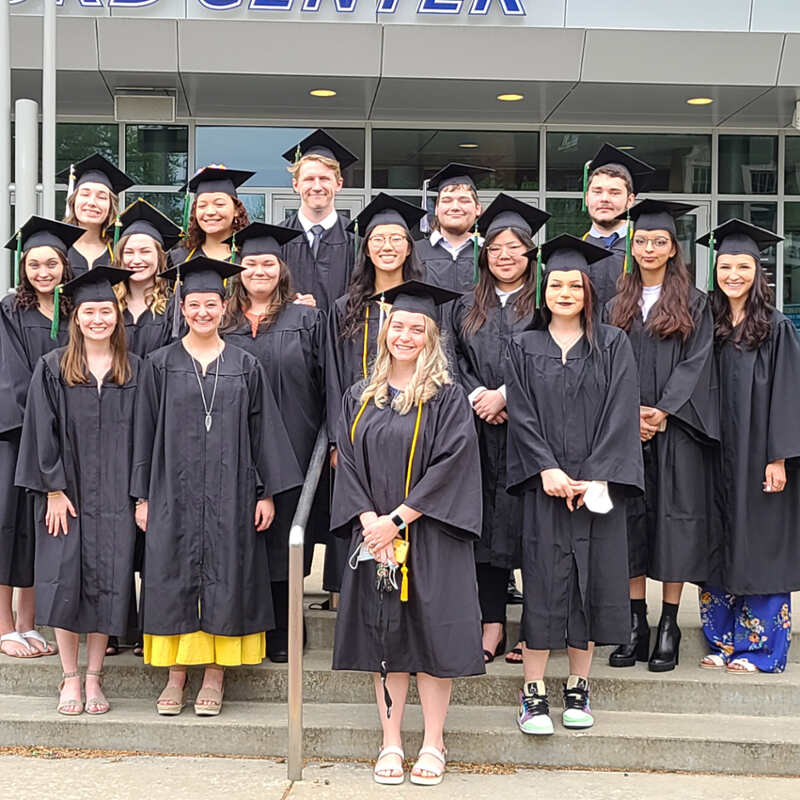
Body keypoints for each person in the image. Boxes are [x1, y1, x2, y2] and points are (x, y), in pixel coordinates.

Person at [132, 257, 302, 716]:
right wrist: (142, 496)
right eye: (194, 304)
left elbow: (263, 431)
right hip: (173, 490)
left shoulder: (245, 365)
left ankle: (214, 676)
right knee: (173, 575)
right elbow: (143, 432)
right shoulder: (158, 364)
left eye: (211, 304)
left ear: (224, 305)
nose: (203, 312)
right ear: (182, 308)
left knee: (227, 575)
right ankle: (175, 676)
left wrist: (265, 492)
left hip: (232, 491)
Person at [331, 279, 482, 786]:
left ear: (431, 337)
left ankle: (434, 743)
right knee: (385, 639)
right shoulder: (360, 395)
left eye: (417, 328)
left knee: (433, 641)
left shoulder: (448, 397)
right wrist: (368, 522)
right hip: (376, 538)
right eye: (399, 326)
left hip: (432, 536)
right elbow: (346, 463)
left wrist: (398, 518)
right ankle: (391, 742)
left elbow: (452, 465)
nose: (406, 335)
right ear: (385, 332)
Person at [506, 234, 643, 734]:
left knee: (590, 584)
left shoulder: (612, 343)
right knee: (543, 583)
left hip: (596, 488)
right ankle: (534, 692)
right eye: (556, 284)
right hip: (545, 485)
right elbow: (520, 414)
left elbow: (621, 410)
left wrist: (597, 473)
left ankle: (579, 688)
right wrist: (546, 468)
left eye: (574, 285)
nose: (565, 292)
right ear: (543, 290)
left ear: (588, 291)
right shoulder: (523, 345)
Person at [15, 267, 139, 715]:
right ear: (77, 318)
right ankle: (69, 678)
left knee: (107, 582)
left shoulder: (135, 370)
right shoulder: (52, 368)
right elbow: (40, 433)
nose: (98, 319)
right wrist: (52, 489)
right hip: (65, 497)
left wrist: (138, 495)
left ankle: (94, 679)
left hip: (116, 498)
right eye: (90, 311)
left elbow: (145, 437)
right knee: (65, 583)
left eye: (106, 310)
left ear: (117, 316)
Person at [606, 200, 719, 672]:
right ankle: (636, 621)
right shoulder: (616, 303)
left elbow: (698, 362)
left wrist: (662, 411)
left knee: (674, 521)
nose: (649, 248)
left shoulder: (694, 303)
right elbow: (608, 361)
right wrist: (628, 413)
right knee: (630, 521)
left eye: (659, 241)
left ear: (674, 249)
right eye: (642, 241)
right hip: (625, 429)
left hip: (676, 429)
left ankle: (669, 625)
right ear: (633, 248)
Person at [221, 222, 327, 663]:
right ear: (237, 270)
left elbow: (329, 383)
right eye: (250, 263)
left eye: (268, 262)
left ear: (282, 269)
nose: (259, 270)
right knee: (241, 537)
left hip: (294, 443)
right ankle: (246, 628)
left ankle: (285, 629)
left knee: (284, 536)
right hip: (231, 446)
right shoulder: (221, 320)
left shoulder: (305, 318)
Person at [697, 220, 799, 674]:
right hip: (714, 450)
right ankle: (722, 641)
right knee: (718, 539)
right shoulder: (707, 323)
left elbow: (788, 393)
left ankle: (762, 649)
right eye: (725, 265)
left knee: (760, 542)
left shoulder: (776, 328)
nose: (733, 274)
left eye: (743, 266)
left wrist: (779, 457)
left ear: (759, 273)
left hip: (759, 452)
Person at [451, 194, 549, 665]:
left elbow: (556, 359)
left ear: (530, 253)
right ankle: (491, 627)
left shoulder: (547, 302)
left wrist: (506, 395)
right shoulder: (465, 304)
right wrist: (479, 398)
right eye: (495, 248)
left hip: (534, 433)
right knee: (484, 533)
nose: (504, 256)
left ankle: (535, 628)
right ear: (484, 254)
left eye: (514, 247)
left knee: (535, 532)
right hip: (478, 434)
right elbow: (451, 360)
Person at [325, 194, 426, 601]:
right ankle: (356, 592)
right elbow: (332, 375)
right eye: (378, 238)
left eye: (396, 238)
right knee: (361, 502)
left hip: (413, 428)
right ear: (365, 249)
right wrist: (337, 438)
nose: (387, 246)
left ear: (408, 246)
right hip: (359, 430)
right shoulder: (345, 308)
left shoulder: (425, 303)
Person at [0, 217, 82, 659]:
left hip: (64, 437)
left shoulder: (75, 311)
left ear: (64, 266)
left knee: (36, 533)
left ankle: (30, 624)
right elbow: (10, 375)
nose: (44, 272)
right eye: (35, 264)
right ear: (24, 268)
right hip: (16, 436)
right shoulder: (11, 309)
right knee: (6, 525)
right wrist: (40, 419)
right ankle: (5, 626)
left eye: (51, 263)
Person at [281, 129, 359, 311]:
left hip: (343, 335)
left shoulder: (358, 238)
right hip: (292, 337)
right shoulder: (279, 238)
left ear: (339, 183)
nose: (317, 187)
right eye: (309, 179)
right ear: (296, 185)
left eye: (324, 178)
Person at [581, 144, 655, 306]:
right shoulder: (575, 251)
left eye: (614, 192)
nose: (604, 198)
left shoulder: (647, 251)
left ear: (630, 200)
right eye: (597, 191)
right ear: (587, 198)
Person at [112, 198, 182, 358]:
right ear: (120, 258)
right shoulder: (109, 305)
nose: (136, 260)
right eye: (129, 252)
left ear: (160, 257)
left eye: (145, 251)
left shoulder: (173, 308)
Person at [415, 163, 493, 291]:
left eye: (464, 200)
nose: (455, 207)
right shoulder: (415, 253)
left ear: (478, 208)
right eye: (447, 200)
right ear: (436, 209)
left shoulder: (491, 253)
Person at [58, 153, 135, 276]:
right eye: (85, 194)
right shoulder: (58, 247)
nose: (92, 202)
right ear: (73, 201)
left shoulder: (119, 250)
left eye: (101, 197)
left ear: (111, 206)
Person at [168, 165, 254, 265]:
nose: (210, 212)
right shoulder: (178, 259)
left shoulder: (251, 258)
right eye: (202, 205)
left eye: (219, 204)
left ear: (236, 210)